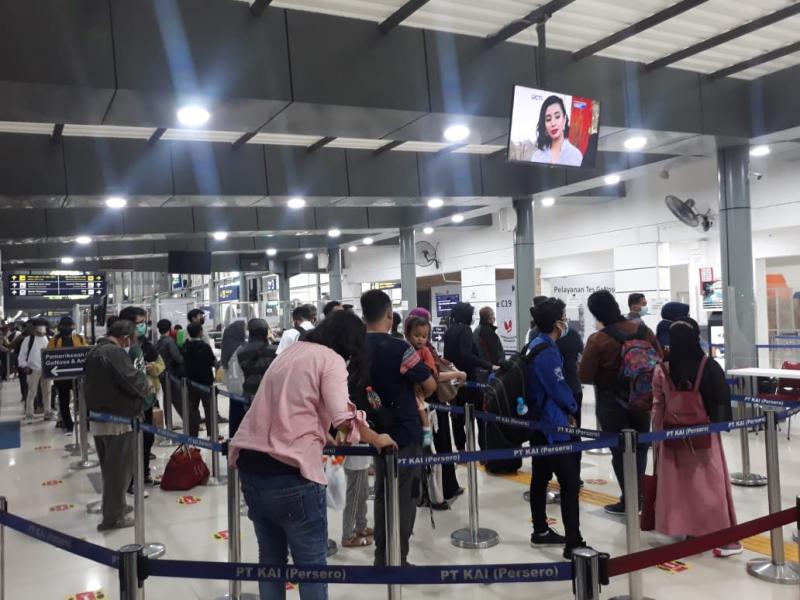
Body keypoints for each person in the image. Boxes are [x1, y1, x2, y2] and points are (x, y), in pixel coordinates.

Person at [230, 310, 397, 600]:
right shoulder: (330, 359)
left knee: (270, 563)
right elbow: (343, 417)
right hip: (292, 474)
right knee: (312, 569)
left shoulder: (292, 352)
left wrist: (323, 429)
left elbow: (295, 404)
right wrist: (375, 437)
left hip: (251, 467)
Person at [651, 318, 741, 557]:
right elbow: (720, 399)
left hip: (671, 434)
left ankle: (680, 526)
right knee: (708, 483)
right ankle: (712, 528)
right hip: (703, 434)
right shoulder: (706, 364)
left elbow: (658, 404)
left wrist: (657, 435)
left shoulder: (663, 367)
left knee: (676, 485)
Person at [362, 290, 436, 567]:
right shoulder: (398, 348)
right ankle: (398, 558)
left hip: (375, 431)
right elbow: (428, 385)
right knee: (405, 497)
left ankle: (382, 556)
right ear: (390, 315)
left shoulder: (357, 348)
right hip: (405, 431)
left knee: (382, 495)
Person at [578, 290, 661, 515]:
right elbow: (659, 360)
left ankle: (630, 499)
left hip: (611, 402)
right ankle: (641, 496)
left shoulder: (598, 339)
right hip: (642, 398)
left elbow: (584, 375)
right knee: (641, 447)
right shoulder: (645, 331)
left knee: (620, 450)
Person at [526, 298, 585, 559]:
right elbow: (559, 388)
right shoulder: (547, 352)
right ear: (556, 322)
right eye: (563, 315)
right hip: (554, 426)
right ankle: (574, 542)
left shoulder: (534, 345)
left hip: (539, 422)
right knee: (569, 482)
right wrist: (572, 409)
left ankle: (540, 530)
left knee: (540, 476)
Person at [85, 319, 148, 531]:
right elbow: (132, 380)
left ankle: (116, 506)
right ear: (125, 338)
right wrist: (147, 390)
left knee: (109, 469)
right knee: (119, 471)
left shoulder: (95, 351)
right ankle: (113, 518)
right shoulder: (114, 353)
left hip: (99, 418)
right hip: (118, 420)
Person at [407, 307, 464, 501]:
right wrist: (456, 374)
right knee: (438, 447)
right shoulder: (420, 351)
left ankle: (430, 492)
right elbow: (433, 377)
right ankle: (440, 491)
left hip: (424, 403)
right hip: (432, 405)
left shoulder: (419, 349)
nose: (422, 337)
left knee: (429, 448)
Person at [119, 306, 163, 487]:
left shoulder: (144, 345)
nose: (143, 326)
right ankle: (130, 481)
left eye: (144, 322)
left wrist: (150, 369)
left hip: (147, 402)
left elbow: (161, 364)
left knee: (147, 440)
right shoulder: (119, 347)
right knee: (130, 444)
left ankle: (143, 474)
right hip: (129, 404)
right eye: (139, 323)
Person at [443, 302, 494, 450]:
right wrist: (489, 365)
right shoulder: (465, 330)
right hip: (468, 380)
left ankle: (461, 449)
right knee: (480, 417)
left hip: (453, 379)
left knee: (457, 418)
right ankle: (483, 451)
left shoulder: (449, 331)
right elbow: (467, 355)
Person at [226, 319, 276, 438]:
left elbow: (237, 377)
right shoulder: (275, 351)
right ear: (265, 332)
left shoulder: (241, 352)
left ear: (250, 333)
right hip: (271, 395)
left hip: (249, 395)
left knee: (253, 427)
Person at [47, 316, 87, 433]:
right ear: (60, 327)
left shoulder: (79, 338)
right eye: (65, 326)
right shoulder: (54, 341)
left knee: (82, 401)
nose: (67, 328)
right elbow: (49, 357)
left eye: (69, 326)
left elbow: (84, 354)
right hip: (61, 378)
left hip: (77, 377)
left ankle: (85, 422)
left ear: (73, 326)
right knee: (64, 402)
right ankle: (68, 424)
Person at [182, 322, 218, 437]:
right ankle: (212, 434)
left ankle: (192, 434)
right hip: (206, 383)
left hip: (190, 382)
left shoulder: (185, 346)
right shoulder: (205, 347)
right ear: (201, 332)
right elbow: (212, 361)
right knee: (209, 409)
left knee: (192, 410)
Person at [530, 95, 583, 167]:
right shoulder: (536, 157)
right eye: (548, 119)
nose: (553, 123)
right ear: (544, 125)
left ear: (564, 120)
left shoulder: (576, 156)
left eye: (557, 117)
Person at [18, 318, 53, 423]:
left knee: (47, 392)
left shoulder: (48, 338)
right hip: (33, 370)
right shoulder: (28, 340)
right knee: (32, 392)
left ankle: (47, 412)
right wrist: (24, 366)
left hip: (46, 370)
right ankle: (29, 414)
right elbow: (21, 356)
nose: (42, 329)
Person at [155, 318, 184, 425]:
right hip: (171, 374)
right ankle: (189, 423)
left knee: (167, 400)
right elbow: (177, 358)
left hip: (162, 375)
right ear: (170, 328)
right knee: (179, 399)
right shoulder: (170, 341)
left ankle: (169, 424)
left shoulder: (158, 342)